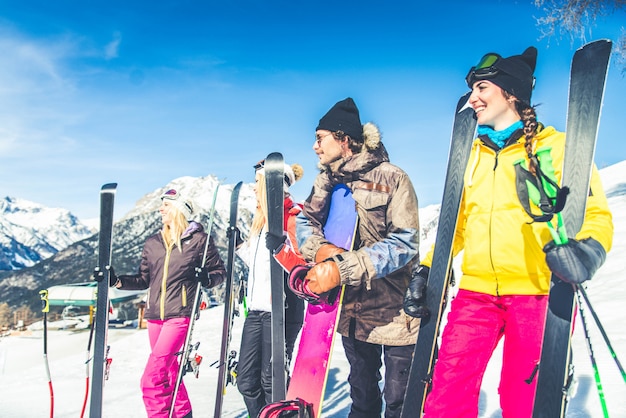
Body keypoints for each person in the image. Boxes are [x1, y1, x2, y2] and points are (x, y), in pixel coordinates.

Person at [403, 47, 613, 417]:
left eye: (482, 88)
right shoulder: (472, 156)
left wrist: (589, 250)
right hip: (476, 294)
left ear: (511, 92)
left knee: (522, 401)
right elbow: (460, 224)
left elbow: (593, 211)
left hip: (535, 294)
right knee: (445, 398)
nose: (473, 99)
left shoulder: (556, 147)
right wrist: (427, 268)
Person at [296, 97, 421, 418]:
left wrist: (343, 268)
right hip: (352, 315)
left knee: (399, 402)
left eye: (320, 138)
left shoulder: (393, 177)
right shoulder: (326, 181)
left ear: (344, 139)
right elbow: (304, 222)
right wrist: (320, 250)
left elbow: (404, 243)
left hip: (396, 315)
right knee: (363, 400)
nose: (314, 147)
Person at [96, 188, 226, 418]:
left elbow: (219, 273)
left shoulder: (199, 241)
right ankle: (182, 414)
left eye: (165, 205)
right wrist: (117, 282)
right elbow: (144, 279)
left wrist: (206, 277)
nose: (160, 209)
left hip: (180, 315)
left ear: (178, 209)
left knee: (151, 379)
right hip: (155, 316)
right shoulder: (153, 243)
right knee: (169, 372)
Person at [235, 159, 306, 418]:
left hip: (282, 309)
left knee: (271, 381)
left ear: (272, 185)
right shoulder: (262, 220)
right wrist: (240, 246)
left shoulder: (295, 216)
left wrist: (281, 247)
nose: (253, 189)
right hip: (256, 310)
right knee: (246, 381)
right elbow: (263, 264)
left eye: (257, 182)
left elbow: (304, 265)